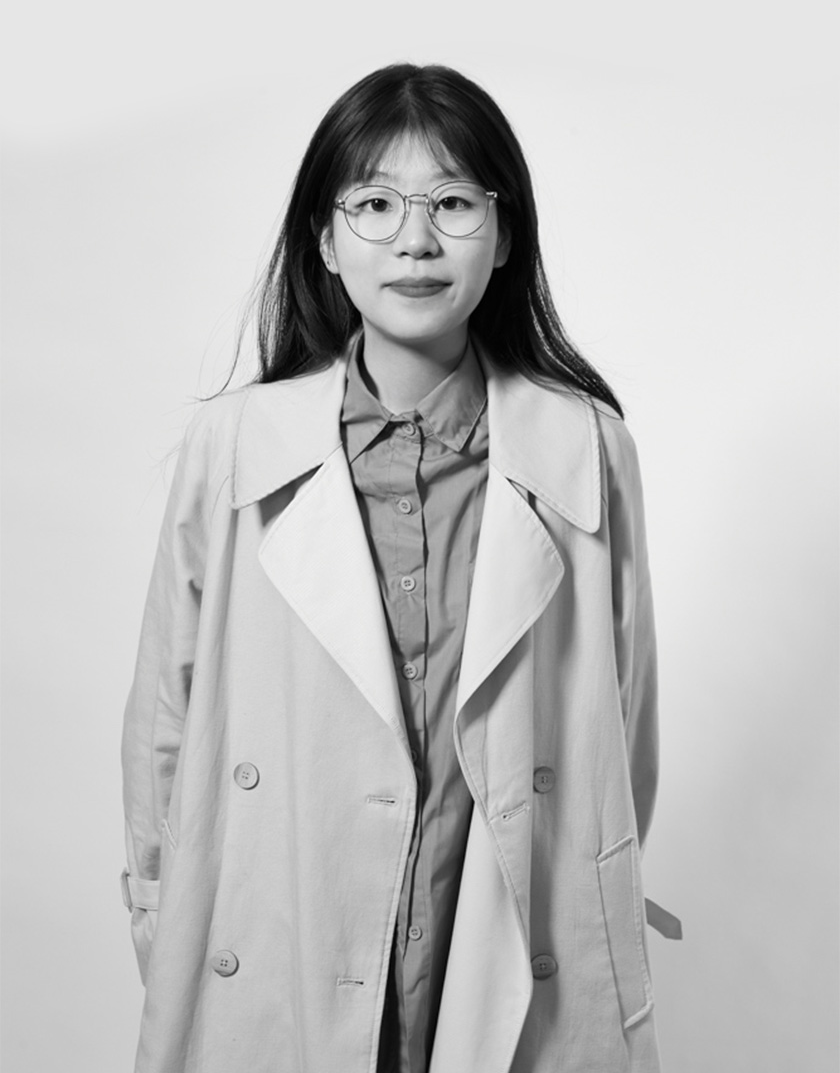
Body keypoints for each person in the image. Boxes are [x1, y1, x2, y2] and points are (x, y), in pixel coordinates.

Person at [121, 62, 677, 1073]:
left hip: (505, 923)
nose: (415, 240)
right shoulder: (235, 446)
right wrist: (165, 911)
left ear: (504, 235)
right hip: (286, 920)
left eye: (453, 202)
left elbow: (621, 723)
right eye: (375, 204)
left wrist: (595, 883)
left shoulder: (585, 448)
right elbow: (169, 707)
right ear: (325, 241)